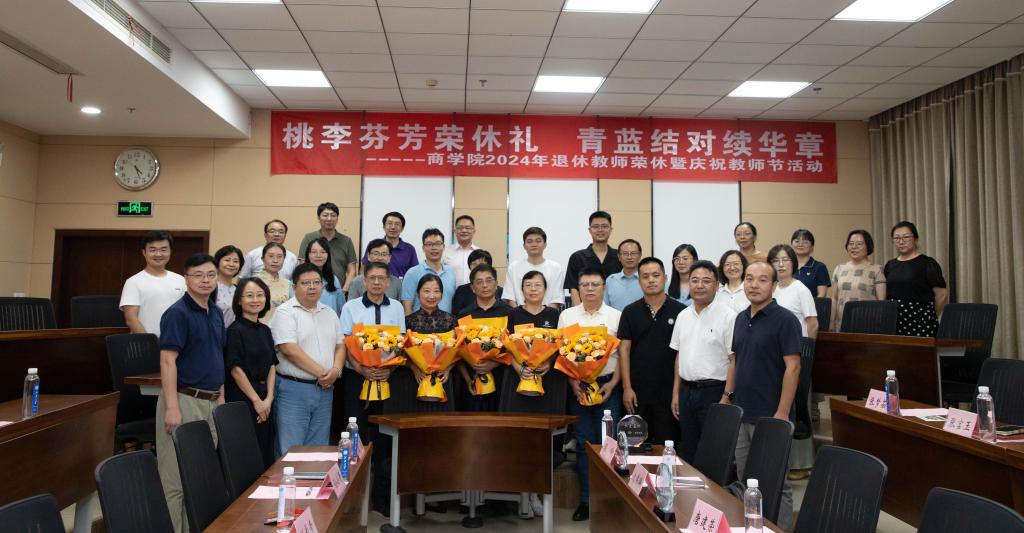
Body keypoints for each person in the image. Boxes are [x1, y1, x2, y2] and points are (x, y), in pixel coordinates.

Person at [723, 261, 801, 531]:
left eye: (762, 280)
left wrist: (782, 413)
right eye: (749, 278)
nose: (754, 285)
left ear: (774, 285)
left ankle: (780, 529)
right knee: (747, 481)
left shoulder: (786, 320)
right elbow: (735, 360)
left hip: (771, 414)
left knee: (777, 482)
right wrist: (727, 396)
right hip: (743, 411)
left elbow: (793, 367)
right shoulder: (740, 318)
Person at [154, 253, 225, 533]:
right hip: (183, 400)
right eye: (198, 275)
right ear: (186, 279)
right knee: (175, 482)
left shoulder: (216, 312)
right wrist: (172, 407)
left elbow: (217, 355)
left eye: (210, 274)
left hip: (210, 402)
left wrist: (221, 396)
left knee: (197, 478)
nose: (205, 280)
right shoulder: (177, 313)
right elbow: (167, 360)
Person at [339, 261, 406, 516]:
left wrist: (390, 369)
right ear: (364, 281)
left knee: (384, 438)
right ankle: (352, 500)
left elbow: (400, 344)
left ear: (388, 282)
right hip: (357, 378)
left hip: (387, 379)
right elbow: (346, 344)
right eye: (372, 278)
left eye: (381, 278)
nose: (377, 282)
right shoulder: (351, 307)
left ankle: (381, 498)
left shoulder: (396, 307)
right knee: (354, 435)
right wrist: (361, 369)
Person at [558, 267, 622, 522]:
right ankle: (586, 500)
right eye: (585, 285)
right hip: (579, 388)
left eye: (595, 284)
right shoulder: (567, 316)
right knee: (585, 445)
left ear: (604, 287)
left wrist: (614, 383)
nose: (590, 289)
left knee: (609, 444)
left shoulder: (616, 316)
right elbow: (562, 354)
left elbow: (623, 356)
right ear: (578, 289)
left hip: (608, 388)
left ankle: (609, 500)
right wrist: (573, 382)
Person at [270, 263, 345, 456]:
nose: (312, 287)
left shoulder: (329, 312)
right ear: (294, 286)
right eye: (305, 283)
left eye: (316, 282)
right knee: (291, 449)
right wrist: (324, 374)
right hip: (294, 389)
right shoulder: (285, 312)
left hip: (325, 389)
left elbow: (340, 345)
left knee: (318, 449)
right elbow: (289, 349)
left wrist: (335, 371)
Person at [669, 260, 736, 464]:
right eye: (695, 280)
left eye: (706, 281)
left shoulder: (728, 316)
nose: (699, 285)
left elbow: (734, 359)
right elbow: (679, 356)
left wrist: (727, 396)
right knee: (688, 449)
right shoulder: (682, 315)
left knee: (713, 452)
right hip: (686, 392)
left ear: (717, 285)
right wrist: (676, 393)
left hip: (714, 392)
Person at [619, 257, 686, 446]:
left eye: (656, 275)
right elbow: (624, 350)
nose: (651, 280)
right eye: (645, 276)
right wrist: (627, 388)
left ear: (665, 278)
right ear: (639, 281)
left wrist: (677, 392)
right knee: (636, 447)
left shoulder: (681, 312)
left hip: (669, 394)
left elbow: (682, 354)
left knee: (668, 447)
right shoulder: (630, 312)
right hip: (637, 394)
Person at [224, 277, 276, 467]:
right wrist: (256, 401)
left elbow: (272, 365)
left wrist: (269, 398)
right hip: (243, 398)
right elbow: (236, 370)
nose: (255, 300)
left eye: (260, 295)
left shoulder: (265, 330)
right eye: (249, 295)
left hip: (265, 398)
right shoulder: (234, 330)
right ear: (239, 300)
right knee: (246, 455)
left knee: (265, 450)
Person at [884, 221, 948, 337]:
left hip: (920, 320)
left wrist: (928, 315)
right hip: (893, 320)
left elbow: (941, 294)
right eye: (897, 238)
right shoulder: (890, 265)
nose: (901, 241)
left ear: (916, 239)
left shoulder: (927, 263)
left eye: (906, 237)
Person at [120, 230, 185, 337]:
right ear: (144, 252)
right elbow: (131, 320)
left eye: (163, 249)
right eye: (152, 250)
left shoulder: (181, 280)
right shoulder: (133, 282)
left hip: (177, 342)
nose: (158, 254)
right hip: (146, 344)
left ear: (170, 252)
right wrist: (150, 343)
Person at [832, 229, 886, 331]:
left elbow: (881, 302)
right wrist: (831, 323)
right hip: (841, 323)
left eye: (859, 244)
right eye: (851, 243)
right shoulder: (840, 268)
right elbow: (834, 299)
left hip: (867, 324)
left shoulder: (877, 270)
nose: (854, 247)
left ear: (868, 246)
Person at [565, 211, 621, 306]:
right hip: (586, 311)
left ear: (610, 229)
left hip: (615, 310)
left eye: (604, 226)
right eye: (596, 227)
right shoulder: (577, 257)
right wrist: (579, 312)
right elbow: (573, 289)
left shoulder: (619, 256)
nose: (600, 230)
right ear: (590, 230)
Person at [299, 202, 357, 292]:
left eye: (333, 215)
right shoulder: (309, 238)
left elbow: (352, 270)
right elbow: (302, 264)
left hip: (339, 290)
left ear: (337, 219)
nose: (329, 219)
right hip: (311, 290)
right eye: (325, 215)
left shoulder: (346, 241)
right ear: (318, 218)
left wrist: (344, 290)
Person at [503, 227, 564, 309]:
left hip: (548, 315)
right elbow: (509, 297)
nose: (534, 244)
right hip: (519, 314)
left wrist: (545, 314)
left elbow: (557, 299)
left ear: (545, 244)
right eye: (529, 241)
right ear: (524, 246)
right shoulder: (513, 267)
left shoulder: (556, 268)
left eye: (538, 241)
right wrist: (520, 313)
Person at [768, 244, 819, 338]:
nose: (780, 264)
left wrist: (808, 346)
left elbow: (813, 324)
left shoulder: (801, 290)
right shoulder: (770, 289)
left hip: (795, 343)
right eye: (776, 260)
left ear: (793, 263)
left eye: (785, 260)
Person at [401, 228, 456, 314]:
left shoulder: (451, 272)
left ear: (443, 247)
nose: (434, 248)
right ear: (423, 248)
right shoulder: (412, 273)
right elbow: (407, 307)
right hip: (419, 322)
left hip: (447, 321)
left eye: (438, 244)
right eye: (429, 244)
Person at [362, 211, 419, 278]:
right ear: (384, 226)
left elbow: (415, 272)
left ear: (402, 228)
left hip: (400, 284)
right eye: (389, 223)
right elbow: (364, 268)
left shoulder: (409, 249)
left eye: (397, 224)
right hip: (376, 283)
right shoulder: (373, 245)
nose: (393, 227)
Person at [452, 249, 503, 315]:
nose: (478, 267)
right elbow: (457, 315)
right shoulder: (461, 290)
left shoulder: (500, 291)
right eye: (474, 264)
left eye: (481, 264)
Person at [304, 237, 345, 316]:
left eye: (323, 252)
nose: (318, 255)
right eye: (314, 252)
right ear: (308, 255)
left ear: (328, 255)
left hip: (330, 322)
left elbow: (342, 309)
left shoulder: (334, 280)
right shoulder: (300, 279)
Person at [257, 242, 292, 323]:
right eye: (271, 256)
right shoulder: (253, 283)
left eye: (279, 257)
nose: (275, 261)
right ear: (263, 259)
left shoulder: (288, 284)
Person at [604, 239, 643, 311]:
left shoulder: (646, 279)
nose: (629, 257)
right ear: (619, 257)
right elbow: (605, 308)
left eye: (633, 253)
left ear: (640, 255)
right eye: (625, 254)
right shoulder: (611, 280)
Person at [791, 229, 830, 298]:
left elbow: (821, 296)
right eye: (797, 241)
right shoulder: (787, 266)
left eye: (805, 242)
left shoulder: (820, 267)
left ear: (812, 247)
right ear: (792, 245)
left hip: (811, 304)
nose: (800, 244)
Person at [443, 214, 479, 286]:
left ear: (474, 231)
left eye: (468, 228)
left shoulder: (479, 253)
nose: (464, 230)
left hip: (474, 292)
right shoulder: (445, 252)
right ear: (455, 231)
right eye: (460, 228)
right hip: (452, 292)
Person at [213, 245, 244, 328]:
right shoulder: (210, 288)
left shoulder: (239, 290)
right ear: (217, 262)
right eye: (227, 260)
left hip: (236, 333)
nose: (231, 264)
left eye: (236, 261)